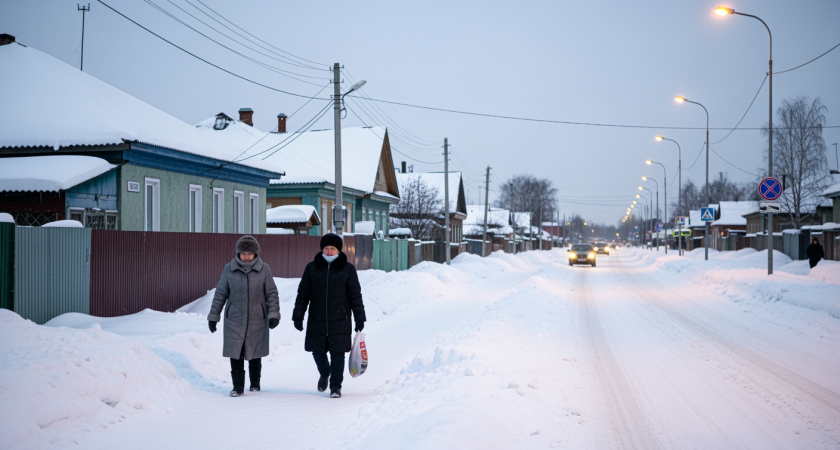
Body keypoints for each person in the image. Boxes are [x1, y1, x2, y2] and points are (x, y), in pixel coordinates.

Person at [292, 233, 366, 399]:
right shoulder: (312, 267)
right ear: (322, 249)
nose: (329, 251)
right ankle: (325, 373)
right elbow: (303, 293)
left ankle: (335, 387)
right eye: (327, 248)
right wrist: (298, 315)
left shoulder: (348, 269)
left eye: (333, 248)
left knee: (338, 354)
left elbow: (355, 295)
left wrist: (360, 317)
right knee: (317, 352)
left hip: (340, 319)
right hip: (317, 318)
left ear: (339, 250)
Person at [208, 235, 280, 397]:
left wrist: (273, 314)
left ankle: (255, 383)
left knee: (254, 352)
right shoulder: (229, 269)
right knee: (236, 353)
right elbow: (220, 294)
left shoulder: (264, 269)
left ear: (255, 254)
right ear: (238, 254)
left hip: (257, 318)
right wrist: (214, 317)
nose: (246, 256)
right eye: (243, 253)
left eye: (250, 253)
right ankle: (238, 387)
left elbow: (272, 294)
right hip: (234, 319)